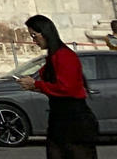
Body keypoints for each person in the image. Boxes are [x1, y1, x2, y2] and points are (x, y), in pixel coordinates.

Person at [18, 14, 98, 159]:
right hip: (59, 117)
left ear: (45, 33)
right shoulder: (53, 56)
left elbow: (68, 88)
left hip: (74, 120)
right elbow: (53, 87)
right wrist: (34, 87)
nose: (34, 41)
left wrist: (36, 84)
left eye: (35, 36)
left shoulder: (64, 56)